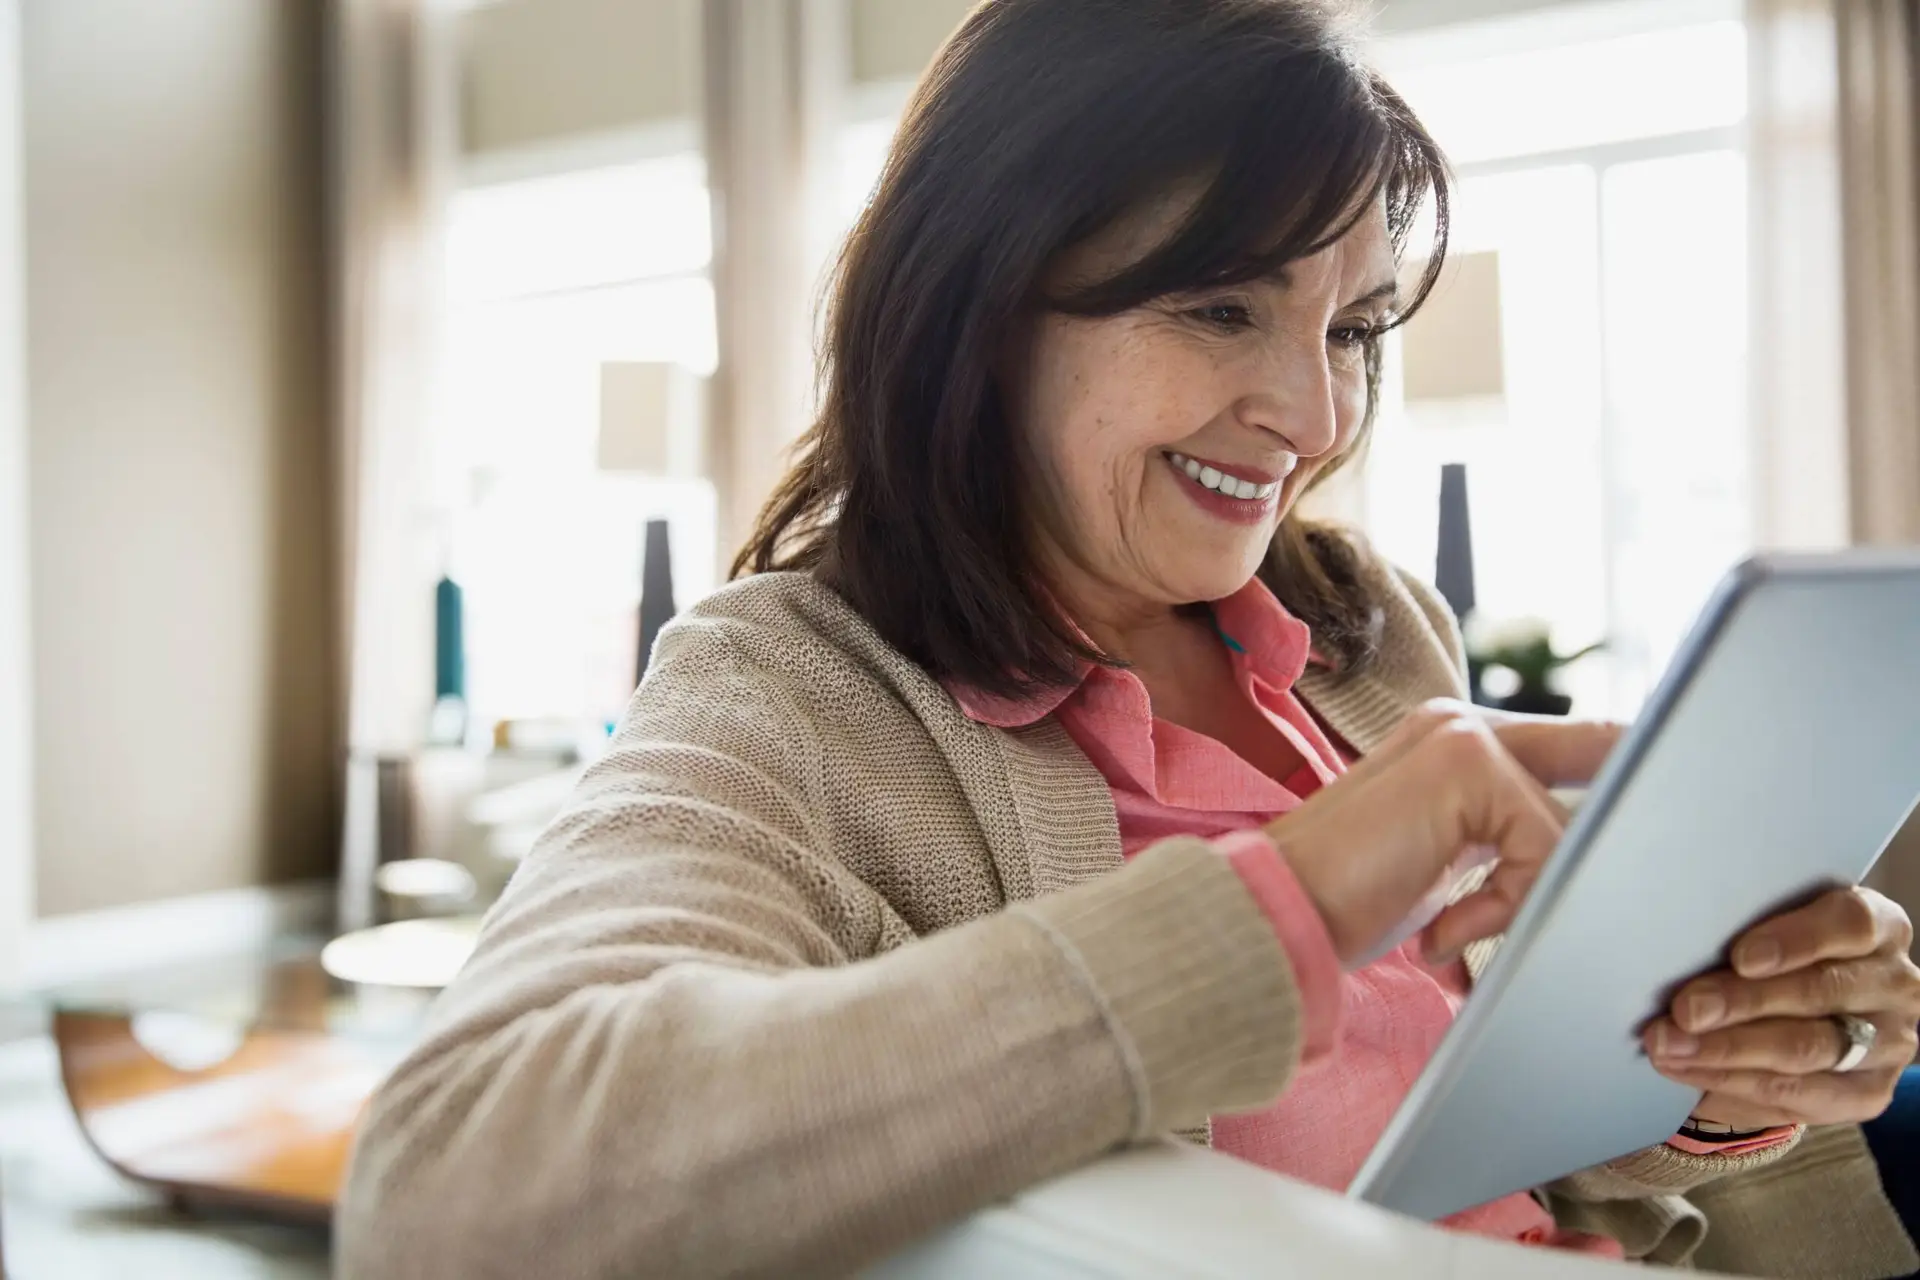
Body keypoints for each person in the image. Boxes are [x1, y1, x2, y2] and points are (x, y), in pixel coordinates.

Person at [337, 1, 1920, 1276]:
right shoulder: (791, 692)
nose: (1312, 414)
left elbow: (1505, 1143)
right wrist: (1288, 898)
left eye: (1354, 330)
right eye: (1222, 307)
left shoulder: (1371, 633)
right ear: (981, 299)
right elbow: (456, 1194)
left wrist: (1722, 1076)